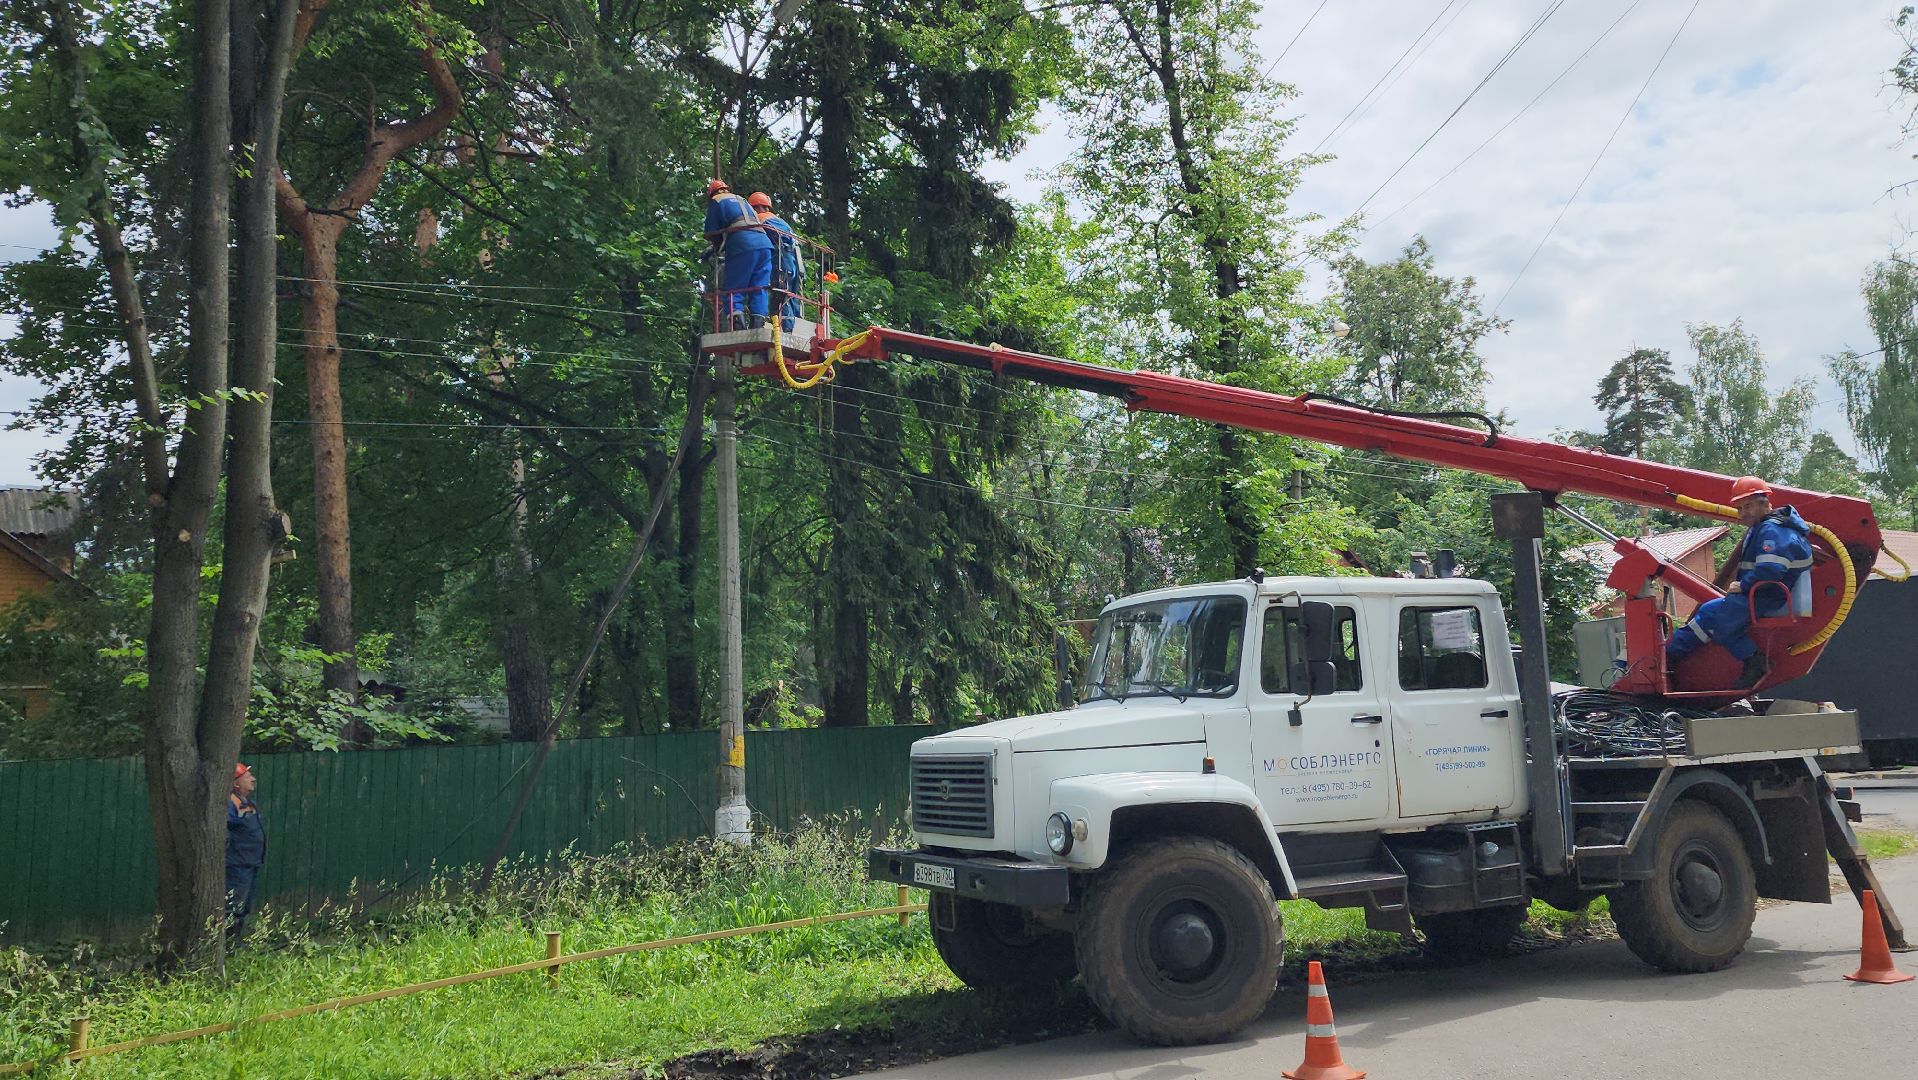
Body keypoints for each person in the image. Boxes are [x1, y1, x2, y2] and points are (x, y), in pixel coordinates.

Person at [1665, 476, 1814, 687]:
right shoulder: (1769, 527)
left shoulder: (1772, 530)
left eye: (1748, 506)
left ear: (1765, 503)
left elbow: (1771, 570)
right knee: (1708, 610)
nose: (1743, 514)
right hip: (1762, 593)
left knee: (1722, 622)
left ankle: (1754, 661)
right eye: (1740, 508)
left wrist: (1743, 585)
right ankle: (1670, 654)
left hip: (1767, 596)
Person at [701, 179, 772, 328]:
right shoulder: (741, 199)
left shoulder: (717, 200)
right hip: (764, 244)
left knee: (734, 287)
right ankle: (758, 323)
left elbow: (711, 232)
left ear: (711, 193)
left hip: (743, 244)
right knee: (759, 286)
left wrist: (715, 248)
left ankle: (737, 324)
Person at [749, 192, 805, 331]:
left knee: (781, 294)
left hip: (782, 259)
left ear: (756, 207)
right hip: (795, 259)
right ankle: (795, 327)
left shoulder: (760, 219)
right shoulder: (779, 220)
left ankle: (786, 329)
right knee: (792, 295)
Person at [226, 762, 266, 940]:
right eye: (248, 776)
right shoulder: (230, 804)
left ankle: (236, 942)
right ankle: (229, 944)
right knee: (233, 906)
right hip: (236, 865)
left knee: (244, 906)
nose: (253, 779)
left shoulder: (249, 803)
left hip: (250, 863)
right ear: (236, 783)